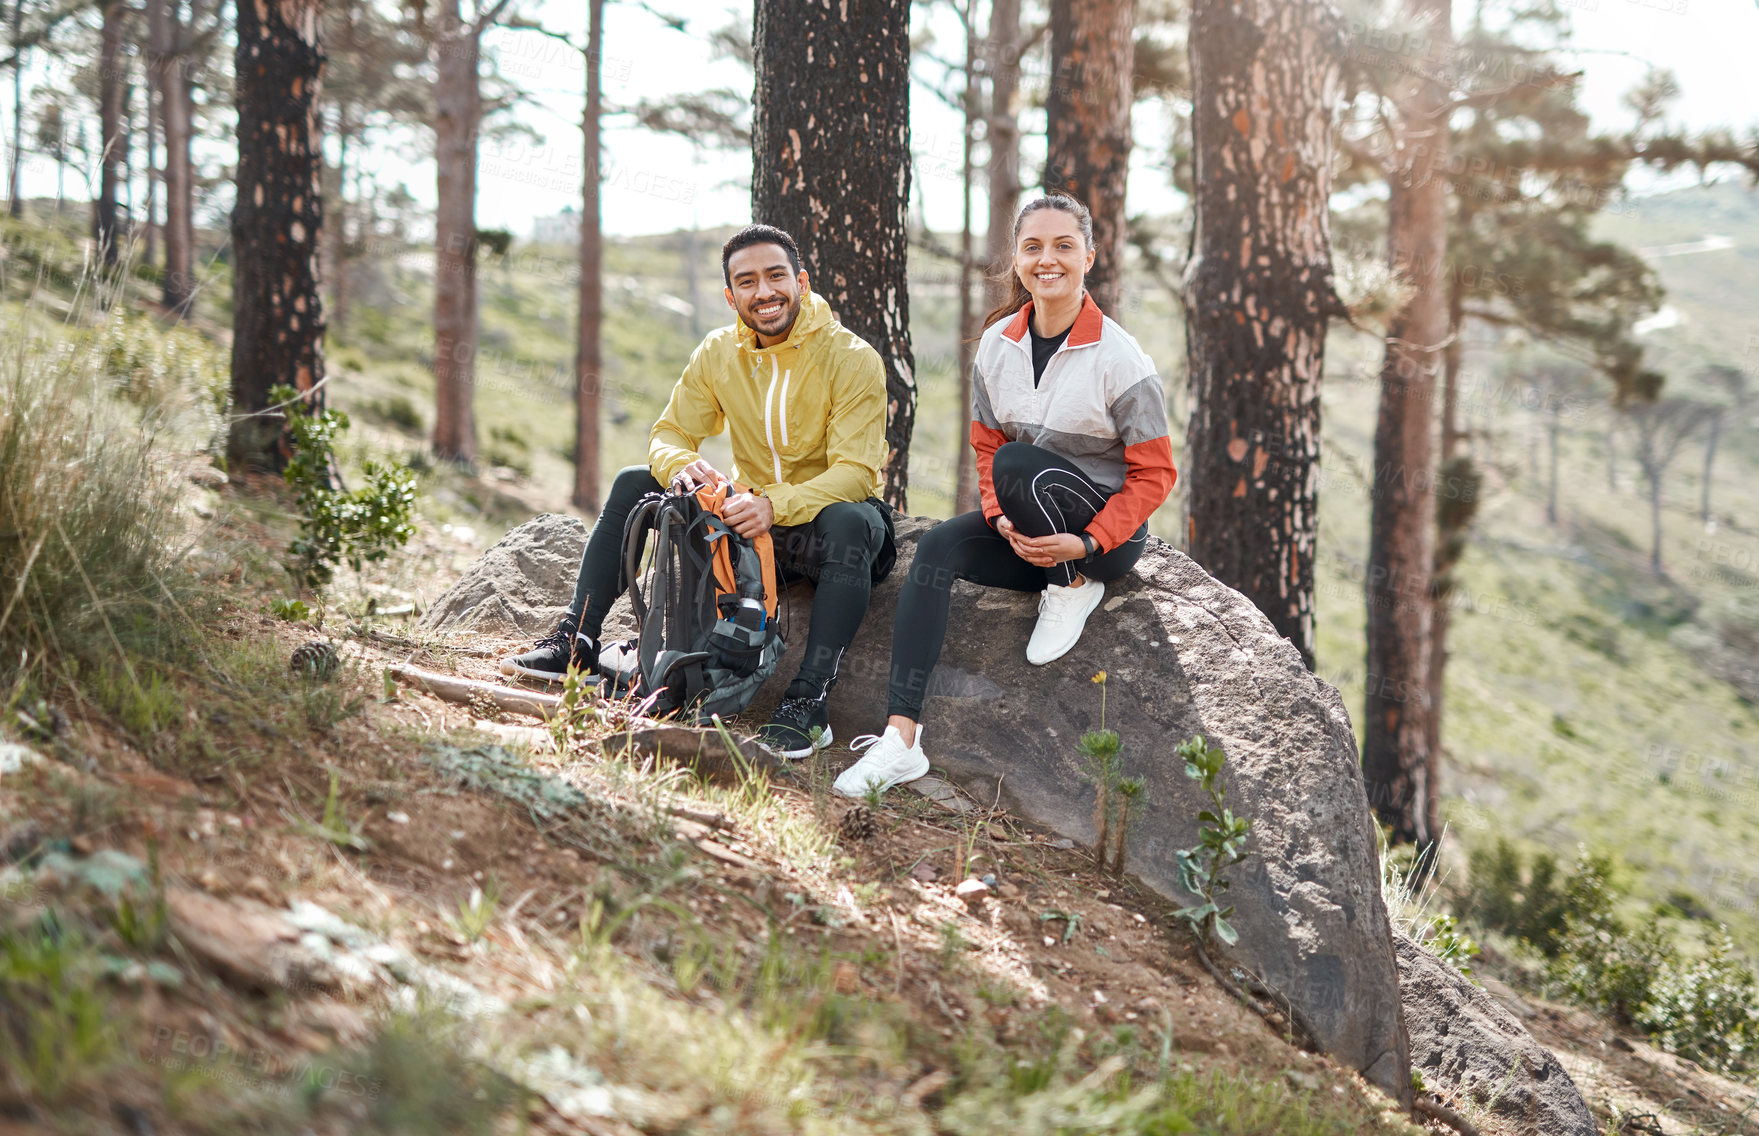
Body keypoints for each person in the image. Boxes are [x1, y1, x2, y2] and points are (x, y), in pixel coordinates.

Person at [500, 223, 895, 759]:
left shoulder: (852, 357)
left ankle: (808, 702)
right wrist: (684, 466)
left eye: (776, 276)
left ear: (800, 281)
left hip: (825, 527)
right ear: (731, 296)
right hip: (745, 527)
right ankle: (577, 640)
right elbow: (668, 432)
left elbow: (856, 471)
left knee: (852, 520)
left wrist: (774, 504)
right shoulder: (718, 351)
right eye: (748, 282)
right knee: (635, 483)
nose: (765, 292)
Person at [833, 194, 1176, 798]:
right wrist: (998, 515)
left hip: (1102, 542)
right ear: (1017, 260)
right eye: (1033, 247)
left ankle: (1070, 585)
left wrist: (1088, 540)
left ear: (1089, 257)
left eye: (1064, 246)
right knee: (937, 549)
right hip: (1026, 521)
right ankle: (901, 740)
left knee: (1022, 462)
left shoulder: (1122, 359)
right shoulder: (997, 345)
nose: (1049, 259)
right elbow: (986, 444)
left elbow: (1155, 474)